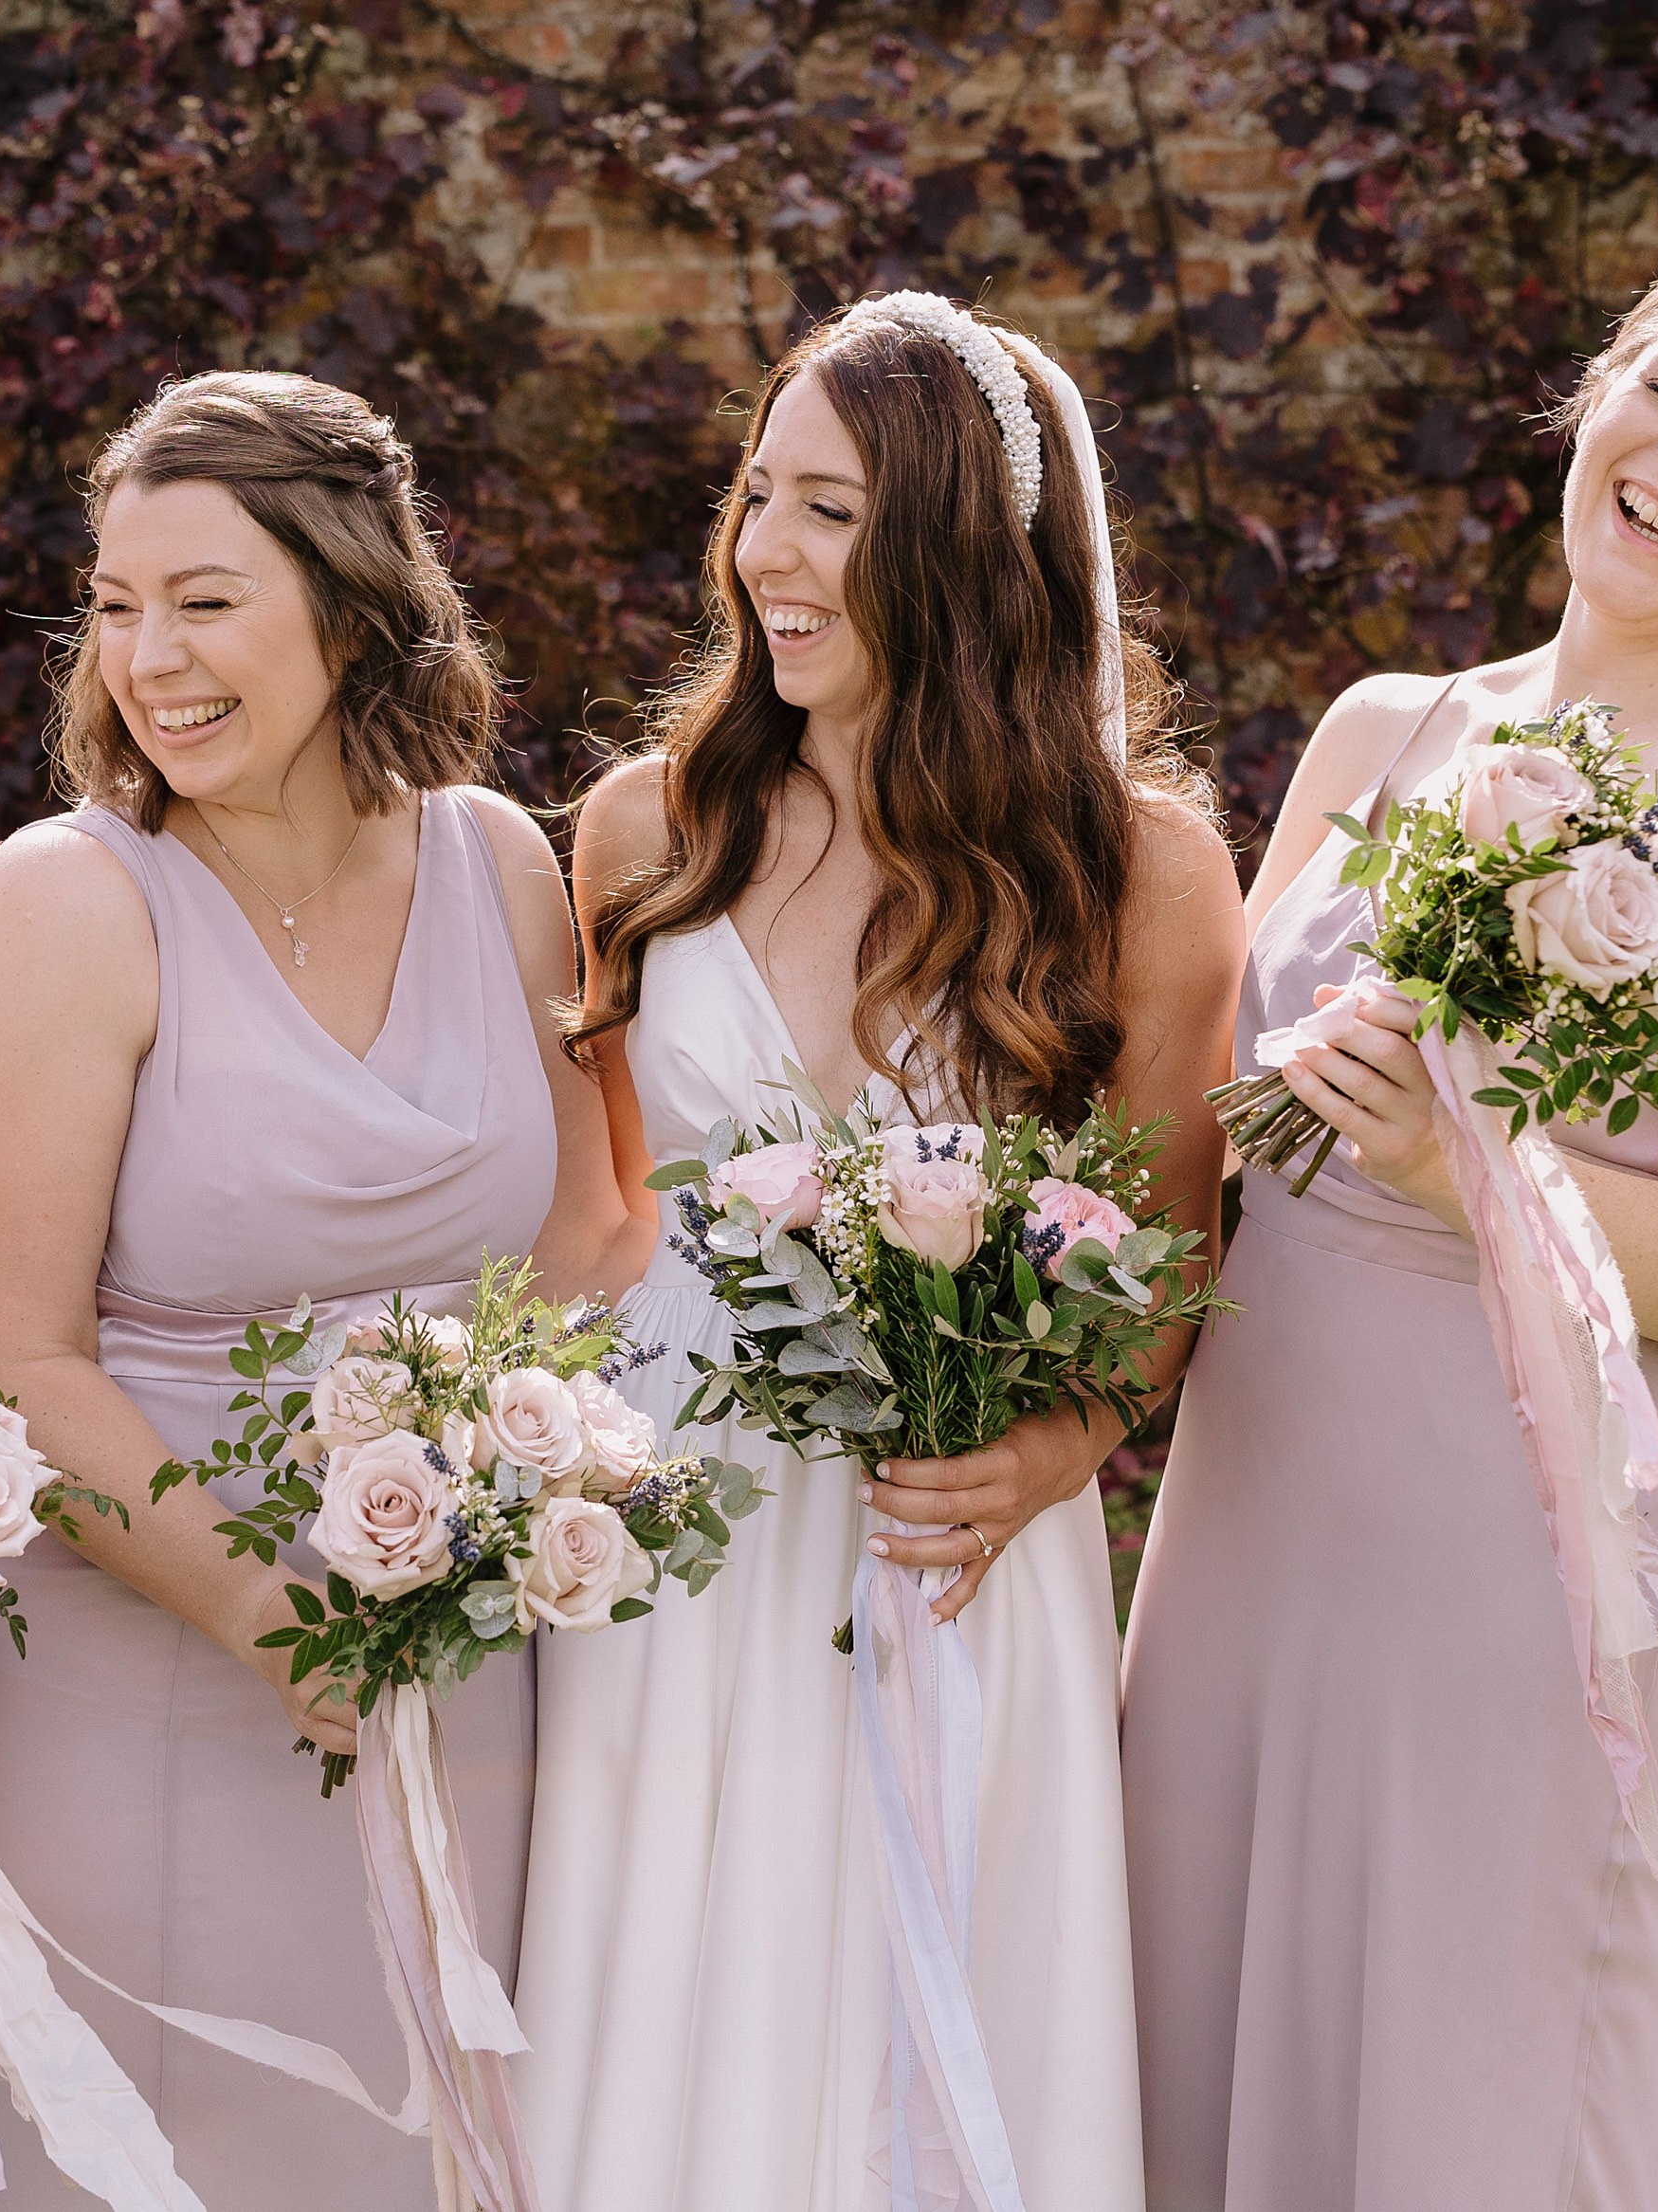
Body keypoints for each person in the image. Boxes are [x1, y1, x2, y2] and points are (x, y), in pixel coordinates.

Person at [1116, 230, 1658, 2211]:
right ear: (1596, 388)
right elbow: (1210, 1126)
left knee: (1459, 2080)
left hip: (1514, 1544)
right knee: (1183, 2030)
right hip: (1245, 1522)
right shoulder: (1382, 726)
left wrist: (1458, 1163)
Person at [516, 295, 1244, 2210]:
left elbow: (1162, 1256)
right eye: (759, 493)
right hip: (675, 1525)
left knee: (936, 2016)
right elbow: (598, 1225)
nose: (765, 550)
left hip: (953, 1531)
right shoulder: (635, 832)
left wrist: (1047, 1453)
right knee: (671, 1991)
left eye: (830, 510)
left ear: (962, 550)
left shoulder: (1137, 871)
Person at [0, 371, 647, 2208]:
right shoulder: (70, 904)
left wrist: (529, 1510)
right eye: (115, 605)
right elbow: (0, 1356)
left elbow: (570, 1254)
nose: (147, 658)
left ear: (347, 599)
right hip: (155, 1677)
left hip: (461, 1673)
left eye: (204, 602)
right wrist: (275, 1619)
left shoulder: (497, 860)